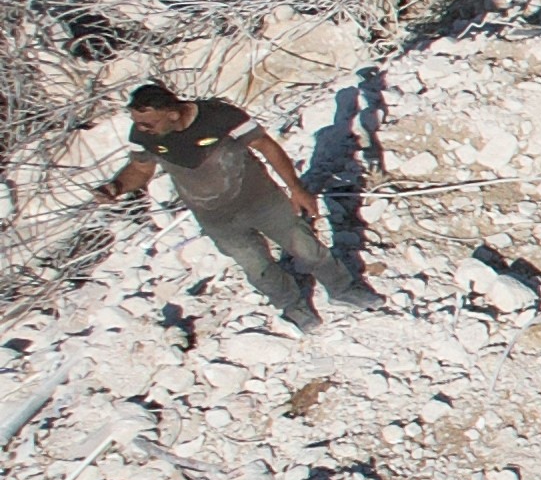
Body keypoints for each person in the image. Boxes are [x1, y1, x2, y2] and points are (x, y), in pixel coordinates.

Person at [96, 82, 358, 321]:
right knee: (258, 269)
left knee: (307, 248)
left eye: (148, 123)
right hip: (217, 219)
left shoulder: (219, 116)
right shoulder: (144, 136)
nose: (141, 129)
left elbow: (265, 146)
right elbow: (140, 170)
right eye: (139, 123)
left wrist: (296, 189)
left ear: (172, 115)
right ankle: (294, 307)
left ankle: (343, 289)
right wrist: (116, 187)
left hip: (262, 201)